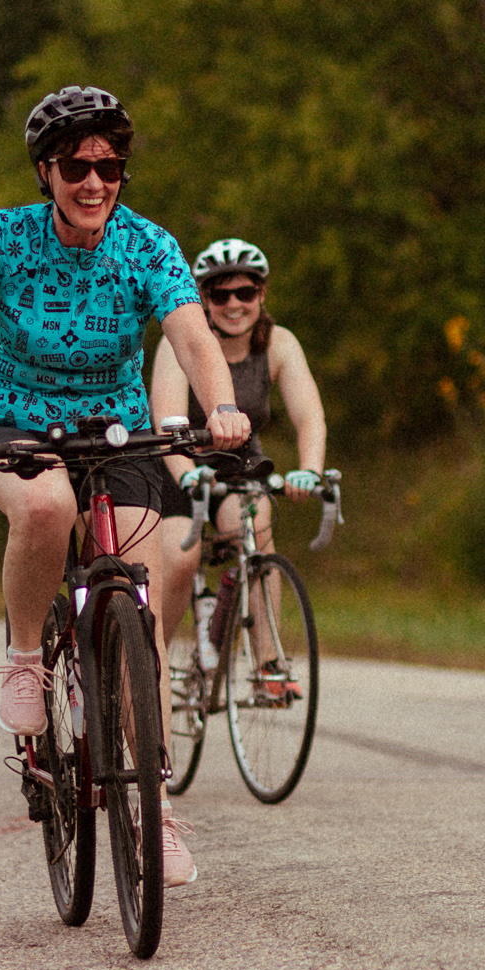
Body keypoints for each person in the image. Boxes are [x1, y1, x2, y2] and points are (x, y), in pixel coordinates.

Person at [0, 86, 250, 887]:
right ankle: (25, 660)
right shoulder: (6, 238)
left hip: (118, 431)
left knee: (139, 606)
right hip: (14, 422)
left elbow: (190, 333)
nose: (95, 182)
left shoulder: (146, 244)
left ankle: (153, 810)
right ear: (45, 172)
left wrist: (219, 404)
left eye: (110, 166)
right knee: (47, 506)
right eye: (77, 167)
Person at [151, 238, 326, 696]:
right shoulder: (182, 341)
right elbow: (164, 418)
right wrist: (186, 473)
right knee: (181, 558)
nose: (233, 305)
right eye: (220, 294)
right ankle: (154, 663)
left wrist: (310, 469)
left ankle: (268, 665)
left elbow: (309, 414)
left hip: (236, 462)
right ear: (202, 299)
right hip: (177, 461)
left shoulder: (279, 344)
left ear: (261, 295)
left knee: (256, 532)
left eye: (244, 293)